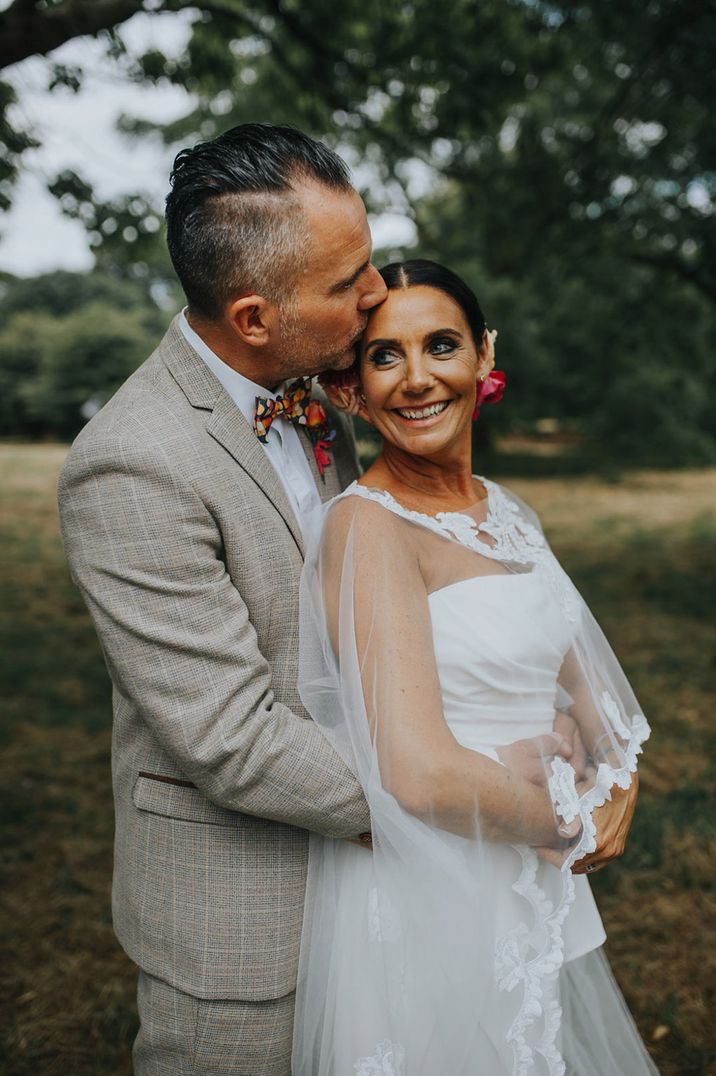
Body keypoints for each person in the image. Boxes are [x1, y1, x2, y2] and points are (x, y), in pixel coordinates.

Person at [57, 123, 391, 1075]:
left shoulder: (315, 402)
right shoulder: (131, 464)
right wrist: (444, 808)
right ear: (253, 317)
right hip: (240, 913)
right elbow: (230, 737)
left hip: (360, 886)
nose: (377, 294)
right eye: (347, 281)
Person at [292, 259, 659, 1074]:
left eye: (442, 345)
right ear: (352, 385)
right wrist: (567, 815)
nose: (417, 379)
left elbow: (583, 684)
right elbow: (417, 775)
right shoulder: (368, 529)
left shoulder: (503, 511)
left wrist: (619, 784)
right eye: (385, 356)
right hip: (440, 884)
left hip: (529, 881)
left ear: (485, 355)